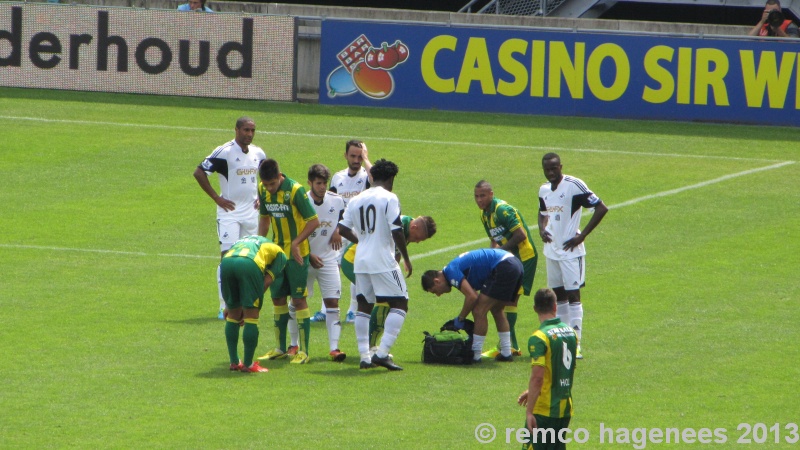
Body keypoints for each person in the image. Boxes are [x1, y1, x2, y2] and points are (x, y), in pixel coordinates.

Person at [337, 159, 411, 371]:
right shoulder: (389, 197)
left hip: (361, 259)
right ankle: (381, 353)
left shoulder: (357, 199)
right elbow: (397, 229)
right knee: (400, 303)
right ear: (390, 179)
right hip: (382, 259)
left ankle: (364, 356)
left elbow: (341, 229)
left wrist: (361, 241)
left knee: (364, 305)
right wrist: (405, 257)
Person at [193, 117, 266, 320]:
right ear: (236, 130)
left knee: (249, 260)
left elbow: (265, 177)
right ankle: (224, 304)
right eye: (245, 130)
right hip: (229, 214)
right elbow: (199, 172)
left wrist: (261, 196)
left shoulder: (258, 153)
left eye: (252, 130)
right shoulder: (224, 152)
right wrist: (217, 198)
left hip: (251, 214)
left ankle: (245, 303)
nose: (249, 134)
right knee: (227, 259)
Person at [538, 152, 607, 360]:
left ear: (560, 167)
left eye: (554, 168)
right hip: (551, 252)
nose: (550, 172)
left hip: (570, 252)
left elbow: (601, 208)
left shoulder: (574, 185)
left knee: (574, 296)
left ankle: (576, 343)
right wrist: (542, 229)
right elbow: (542, 212)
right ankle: (562, 342)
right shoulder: (543, 189)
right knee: (559, 298)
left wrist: (582, 235)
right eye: (547, 169)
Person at [340, 215, 436, 354]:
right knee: (380, 300)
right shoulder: (399, 227)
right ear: (414, 227)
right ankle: (369, 348)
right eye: (419, 238)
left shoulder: (406, 226)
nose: (418, 242)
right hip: (354, 261)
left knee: (382, 300)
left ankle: (369, 347)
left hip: (368, 263)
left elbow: (394, 255)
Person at [254, 159, 319, 365]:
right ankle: (280, 348)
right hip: (276, 253)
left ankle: (304, 351)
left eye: (272, 184)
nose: (269, 188)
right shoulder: (262, 189)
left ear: (279, 176)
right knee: (278, 299)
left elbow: (314, 221)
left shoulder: (295, 190)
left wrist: (297, 243)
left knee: (298, 300)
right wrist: (260, 245)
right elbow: (264, 219)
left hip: (298, 255)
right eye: (266, 185)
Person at [421, 248, 523, 362]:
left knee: (479, 311)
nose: (438, 295)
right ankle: (506, 353)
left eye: (435, 291)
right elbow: (473, 295)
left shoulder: (450, 271)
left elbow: (472, 297)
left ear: (437, 281)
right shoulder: (453, 269)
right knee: (497, 309)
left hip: (503, 266)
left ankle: (476, 355)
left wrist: (460, 318)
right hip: (515, 264)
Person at [474, 180, 538, 358]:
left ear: (491, 194)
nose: (479, 200)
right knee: (505, 302)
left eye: (483, 195)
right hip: (508, 260)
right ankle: (510, 345)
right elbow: (494, 238)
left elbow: (521, 234)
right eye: (476, 196)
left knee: (509, 301)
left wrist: (501, 251)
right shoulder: (484, 214)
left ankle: (509, 346)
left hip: (524, 257)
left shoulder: (502, 210)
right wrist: (492, 257)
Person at [517, 288, 578, 450]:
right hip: (564, 408)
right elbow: (562, 369)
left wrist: (529, 412)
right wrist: (533, 391)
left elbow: (537, 377)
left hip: (544, 410)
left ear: (535, 308)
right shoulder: (571, 333)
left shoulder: (539, 337)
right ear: (555, 307)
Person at [220, 235, 286, 373]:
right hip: (249, 263)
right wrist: (251, 299)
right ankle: (249, 364)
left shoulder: (243, 241)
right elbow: (267, 280)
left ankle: (234, 361)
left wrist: (229, 305)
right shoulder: (278, 252)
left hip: (226, 262)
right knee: (251, 316)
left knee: (233, 315)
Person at [327, 139, 373, 324]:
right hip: (339, 229)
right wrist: (335, 228)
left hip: (360, 231)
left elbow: (376, 178)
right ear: (345, 155)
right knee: (331, 266)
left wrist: (367, 158)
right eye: (353, 156)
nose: (356, 160)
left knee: (357, 267)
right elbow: (331, 203)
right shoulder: (337, 178)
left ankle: (353, 309)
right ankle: (326, 309)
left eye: (359, 156)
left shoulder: (366, 177)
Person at [305, 164, 347, 362]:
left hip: (328, 259)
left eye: (324, 183)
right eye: (318, 183)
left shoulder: (336, 201)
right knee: (297, 302)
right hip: (304, 259)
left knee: (333, 302)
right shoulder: (302, 201)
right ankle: (293, 345)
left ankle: (334, 348)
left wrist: (338, 229)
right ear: (310, 183)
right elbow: (294, 232)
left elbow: (345, 218)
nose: (322, 187)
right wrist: (308, 255)